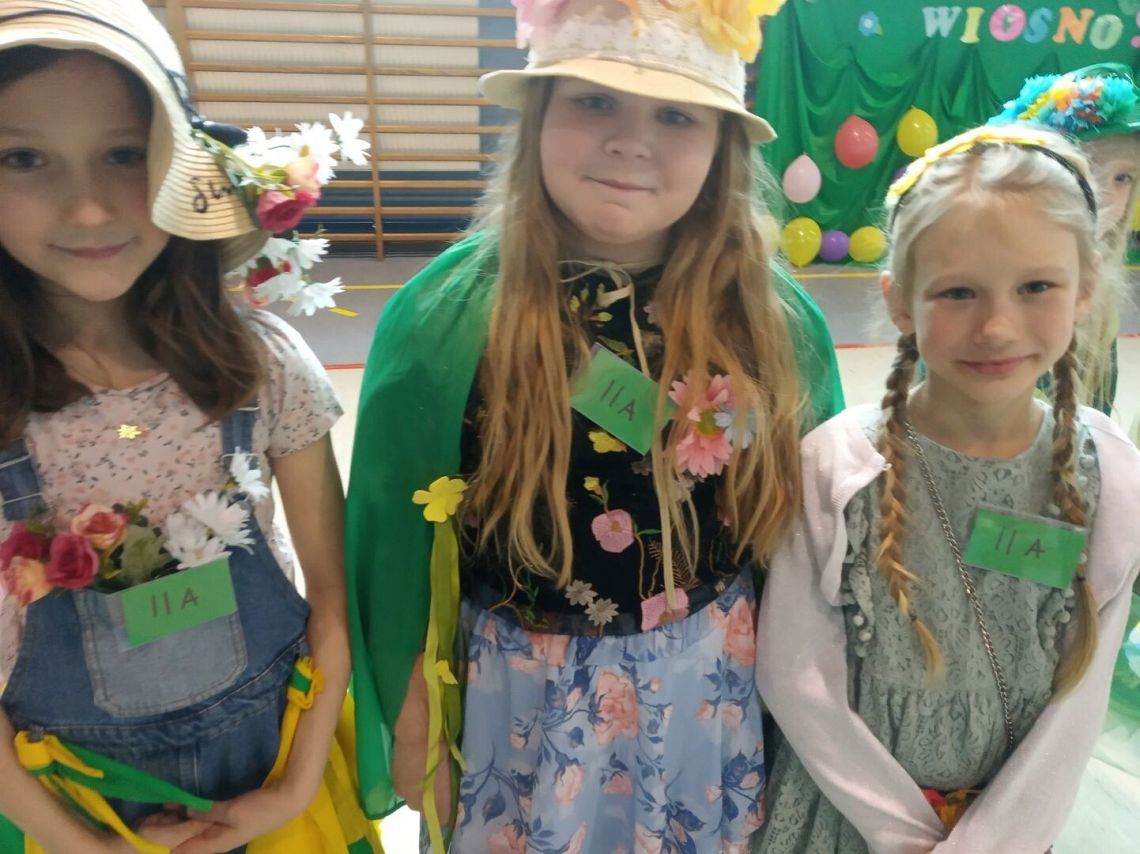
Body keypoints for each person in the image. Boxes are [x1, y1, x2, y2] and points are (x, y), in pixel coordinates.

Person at [345, 0, 842, 850]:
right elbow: (389, 544)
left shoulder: (774, 325)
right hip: (515, 703)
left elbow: (811, 544)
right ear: (539, 115)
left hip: (707, 696)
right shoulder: (445, 321)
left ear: (723, 145)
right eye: (594, 101)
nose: (629, 142)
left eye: (676, 115)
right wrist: (410, 714)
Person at [0, 1, 369, 850]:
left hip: (276, 776)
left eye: (124, 154)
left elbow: (332, 598)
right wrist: (87, 846)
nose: (89, 208)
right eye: (24, 157)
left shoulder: (263, 366)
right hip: (72, 811)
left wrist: (297, 785)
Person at [755, 125, 1140, 853]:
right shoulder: (837, 466)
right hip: (846, 824)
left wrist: (990, 842)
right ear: (901, 301)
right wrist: (904, 834)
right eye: (958, 292)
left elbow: (1079, 701)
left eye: (1036, 287)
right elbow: (795, 672)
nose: (996, 326)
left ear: (1085, 290)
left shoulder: (1113, 480)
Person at [989, 63, 1140, 413]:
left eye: (1122, 178)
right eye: (1085, 167)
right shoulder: (990, 276)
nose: (1104, 196)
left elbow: (1097, 405)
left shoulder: (1098, 286)